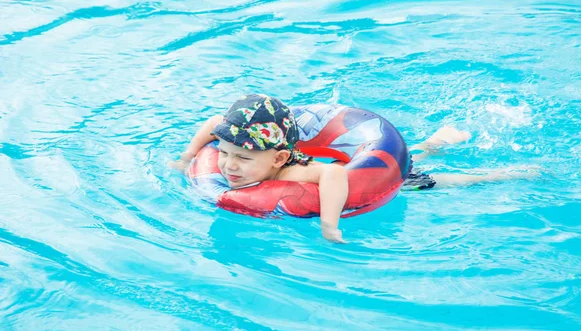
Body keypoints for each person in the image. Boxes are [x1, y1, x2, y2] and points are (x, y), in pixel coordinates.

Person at [170, 94, 537, 242]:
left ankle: (504, 174)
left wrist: (329, 225)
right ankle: (438, 140)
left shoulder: (293, 171)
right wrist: (189, 157)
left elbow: (333, 174)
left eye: (244, 159)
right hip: (353, 155)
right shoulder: (235, 141)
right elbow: (214, 121)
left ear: (279, 158)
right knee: (415, 155)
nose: (230, 166)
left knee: (426, 180)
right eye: (226, 153)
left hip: (371, 174)